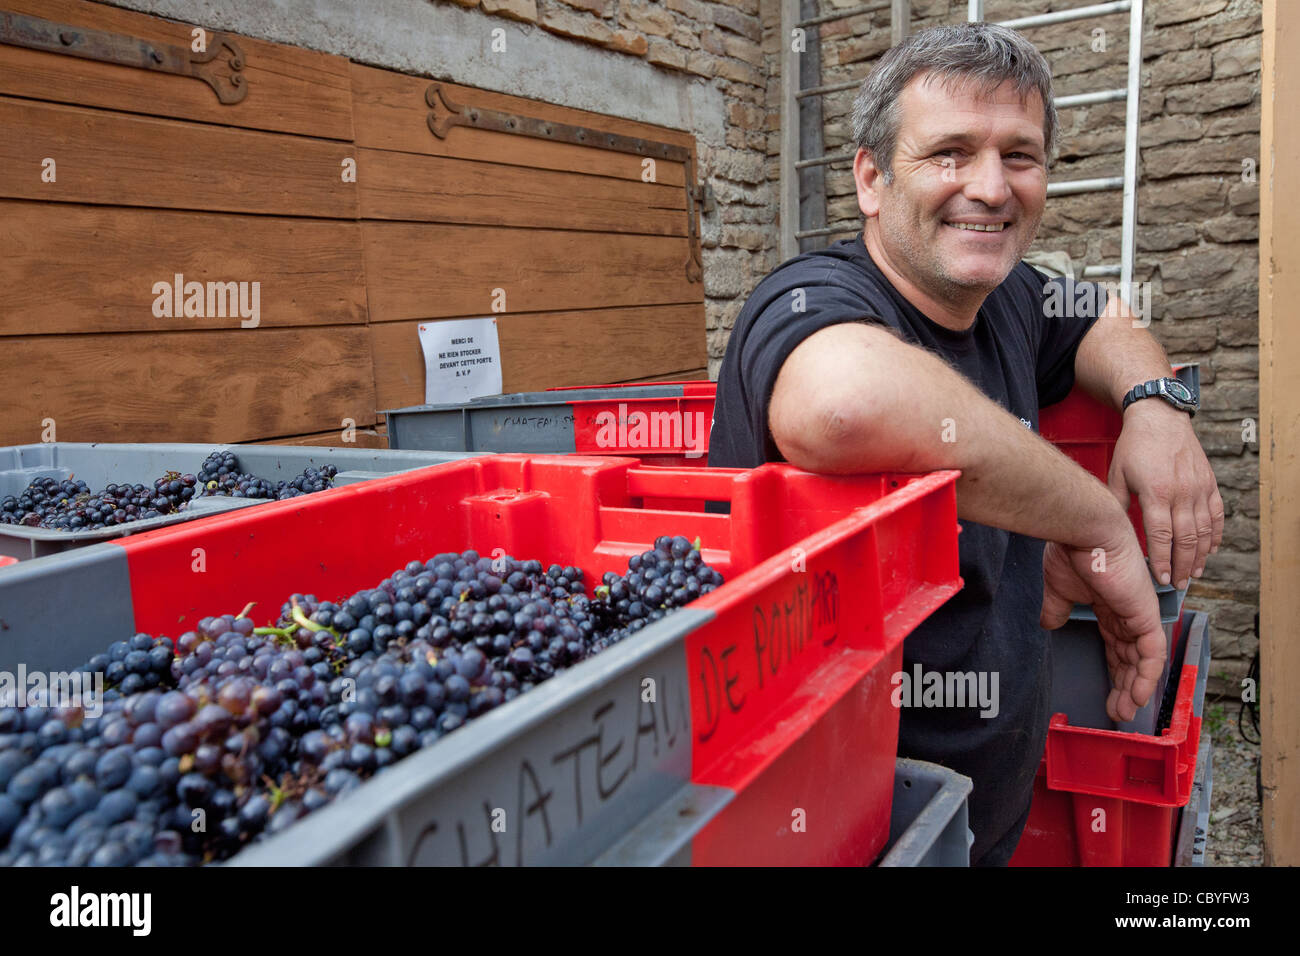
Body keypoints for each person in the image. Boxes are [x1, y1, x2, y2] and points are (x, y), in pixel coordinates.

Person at [708, 21, 1223, 865]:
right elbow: (842, 406)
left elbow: (1100, 317)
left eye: (1019, 156)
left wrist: (1157, 404)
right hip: (839, 826)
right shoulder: (810, 295)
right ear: (871, 179)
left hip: (985, 810)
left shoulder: (1009, 298)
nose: (989, 187)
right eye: (949, 153)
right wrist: (1093, 521)